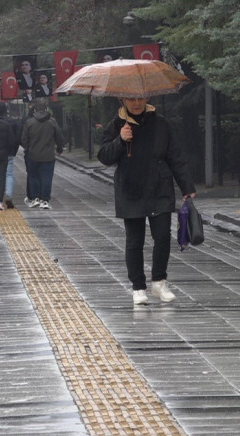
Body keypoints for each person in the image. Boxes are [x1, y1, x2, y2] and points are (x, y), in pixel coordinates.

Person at [98, 97, 196, 305]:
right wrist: (120, 140)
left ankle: (159, 281)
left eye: (140, 98)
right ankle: (138, 287)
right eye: (131, 99)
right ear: (123, 100)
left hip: (159, 187)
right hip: (130, 189)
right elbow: (104, 156)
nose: (136, 103)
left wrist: (187, 187)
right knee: (135, 241)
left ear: (147, 98)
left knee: (162, 236)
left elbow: (175, 155)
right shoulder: (117, 124)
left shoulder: (160, 123)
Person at [21, 99, 64, 210]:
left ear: (34, 109)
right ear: (46, 109)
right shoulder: (52, 122)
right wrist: (59, 148)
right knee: (46, 177)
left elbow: (24, 139)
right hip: (48, 155)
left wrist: (28, 148)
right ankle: (45, 200)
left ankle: (34, 198)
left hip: (32, 155)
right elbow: (59, 136)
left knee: (33, 176)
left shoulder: (29, 122)